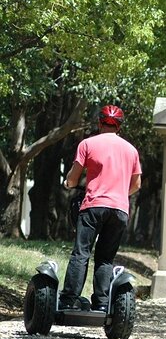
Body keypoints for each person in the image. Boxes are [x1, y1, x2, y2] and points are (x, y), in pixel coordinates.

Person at [59, 105, 142, 311]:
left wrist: (69, 184)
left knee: (81, 253)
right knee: (105, 258)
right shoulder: (131, 150)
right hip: (120, 209)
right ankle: (102, 304)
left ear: (99, 123)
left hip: (93, 206)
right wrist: (121, 194)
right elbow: (137, 184)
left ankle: (69, 300)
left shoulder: (88, 144)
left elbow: (73, 177)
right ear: (120, 126)